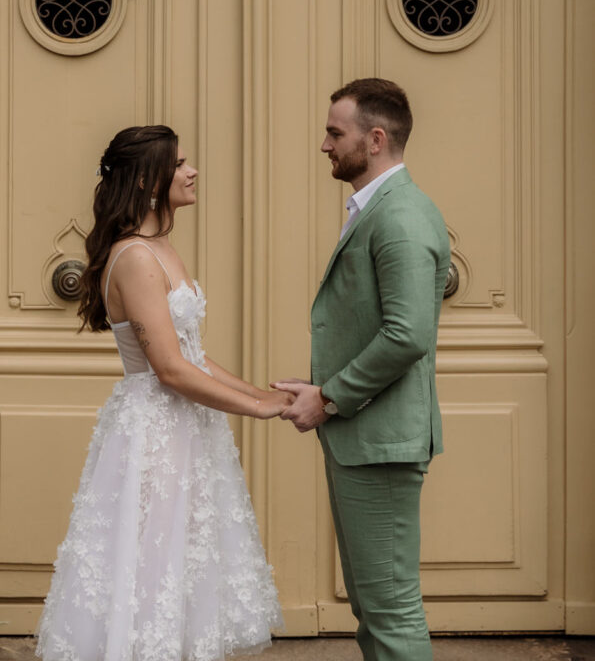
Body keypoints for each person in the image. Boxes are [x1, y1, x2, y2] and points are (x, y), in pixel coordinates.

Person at [36, 125, 290, 661]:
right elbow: (170, 370)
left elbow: (192, 354)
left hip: (186, 427)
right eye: (180, 164)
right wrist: (256, 409)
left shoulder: (161, 246)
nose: (193, 171)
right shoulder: (134, 258)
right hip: (154, 429)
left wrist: (266, 394)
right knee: (150, 564)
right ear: (150, 179)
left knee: (183, 563)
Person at [274, 78, 450, 661]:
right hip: (367, 438)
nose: (325, 144)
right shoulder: (377, 207)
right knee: (373, 606)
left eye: (334, 132)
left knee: (391, 609)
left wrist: (328, 398)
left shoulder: (400, 217)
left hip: (382, 443)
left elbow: (407, 335)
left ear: (375, 139)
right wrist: (321, 385)